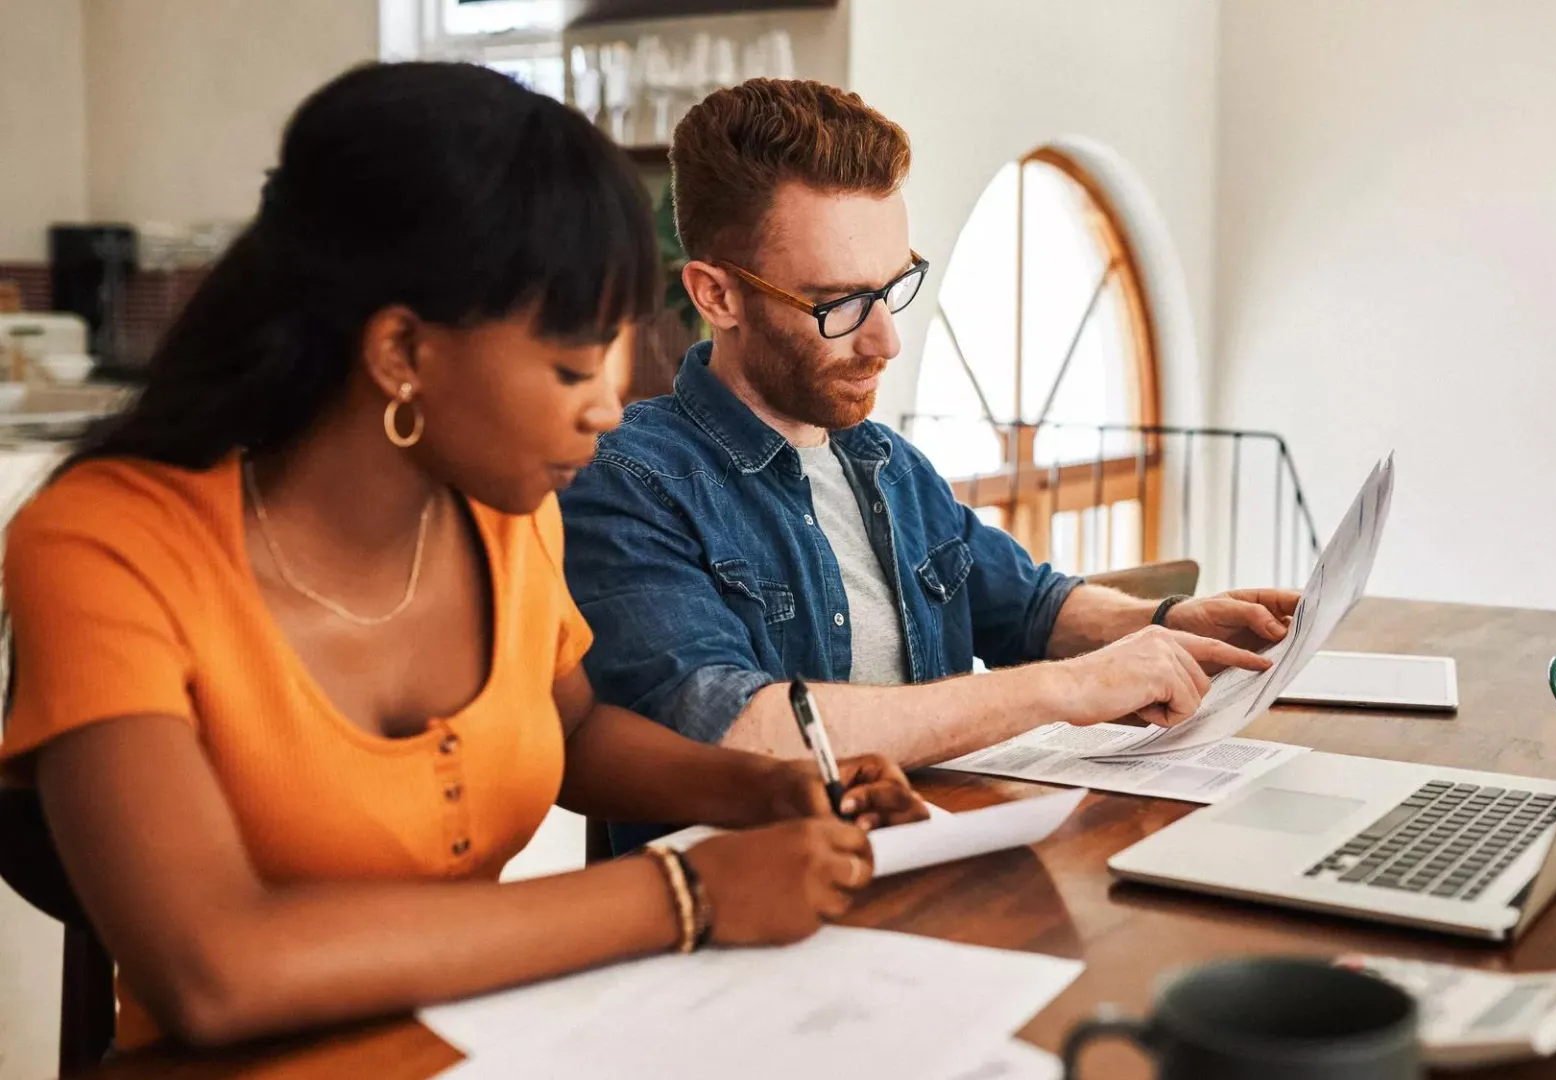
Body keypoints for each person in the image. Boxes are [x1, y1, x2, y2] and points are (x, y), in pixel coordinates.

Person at [0, 62, 925, 1051]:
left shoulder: (509, 510)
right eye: (572, 368)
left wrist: (762, 791)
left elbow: (568, 736)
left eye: (616, 359)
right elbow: (211, 969)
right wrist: (683, 892)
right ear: (402, 351)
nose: (609, 408)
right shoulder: (105, 545)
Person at [559, 79, 1300, 797]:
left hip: (945, 865)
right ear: (716, 295)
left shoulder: (885, 464)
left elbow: (1030, 607)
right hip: (769, 899)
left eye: (892, 288)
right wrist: (1064, 689)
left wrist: (1166, 622)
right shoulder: (627, 479)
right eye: (841, 303)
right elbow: (732, 730)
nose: (886, 340)